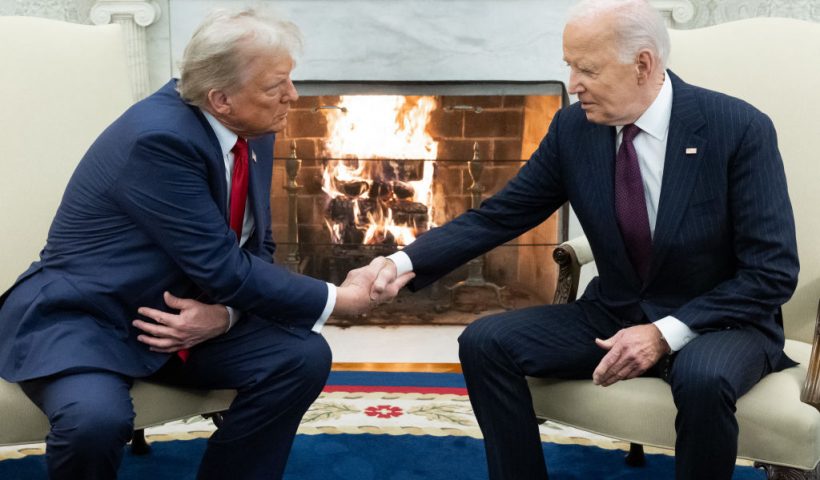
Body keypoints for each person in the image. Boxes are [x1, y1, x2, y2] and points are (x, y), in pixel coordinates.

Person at [371, 0, 799, 478]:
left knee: (702, 378)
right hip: (615, 311)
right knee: (484, 342)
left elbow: (771, 273)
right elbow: (500, 216)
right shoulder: (574, 129)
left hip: (720, 322)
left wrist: (663, 333)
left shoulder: (737, 128)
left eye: (587, 69)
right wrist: (402, 263)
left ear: (643, 65)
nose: (573, 85)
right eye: (570, 67)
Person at [0, 8, 410, 480]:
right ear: (221, 98)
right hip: (91, 320)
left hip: (179, 318)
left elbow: (257, 246)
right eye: (276, 86)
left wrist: (226, 316)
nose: (292, 97)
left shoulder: (250, 129)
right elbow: (223, 267)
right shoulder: (159, 140)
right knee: (95, 421)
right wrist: (342, 300)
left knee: (301, 358)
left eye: (290, 81)